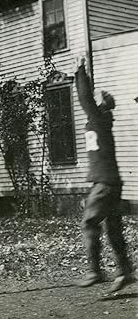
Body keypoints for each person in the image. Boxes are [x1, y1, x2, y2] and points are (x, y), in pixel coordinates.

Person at [74, 56, 133, 292]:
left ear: (100, 106)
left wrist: (80, 71)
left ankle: (95, 271)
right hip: (110, 181)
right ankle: (125, 271)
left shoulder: (99, 120)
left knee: (89, 223)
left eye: (96, 98)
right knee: (113, 227)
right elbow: (89, 100)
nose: (92, 100)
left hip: (105, 183)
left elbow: (84, 97)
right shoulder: (100, 122)